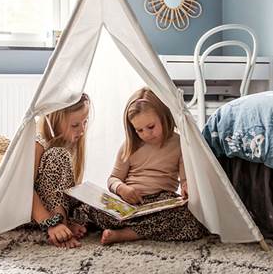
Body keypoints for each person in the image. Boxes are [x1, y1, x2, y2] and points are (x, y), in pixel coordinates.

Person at [88, 87, 209, 246]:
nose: (146, 134)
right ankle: (135, 227)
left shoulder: (179, 143)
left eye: (151, 127)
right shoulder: (130, 145)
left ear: (164, 117)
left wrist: (187, 187)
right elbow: (113, 179)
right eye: (139, 130)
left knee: (193, 221)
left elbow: (185, 179)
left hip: (161, 202)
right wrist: (121, 189)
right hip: (128, 203)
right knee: (85, 207)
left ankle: (127, 234)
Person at [31, 93, 90, 249]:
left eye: (85, 122)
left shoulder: (69, 143)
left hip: (56, 206)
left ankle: (68, 221)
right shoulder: (39, 143)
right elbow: (23, 189)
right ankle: (60, 225)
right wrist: (54, 224)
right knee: (58, 155)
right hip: (37, 212)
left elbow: (63, 190)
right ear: (55, 119)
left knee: (91, 203)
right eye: (75, 125)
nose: (82, 130)